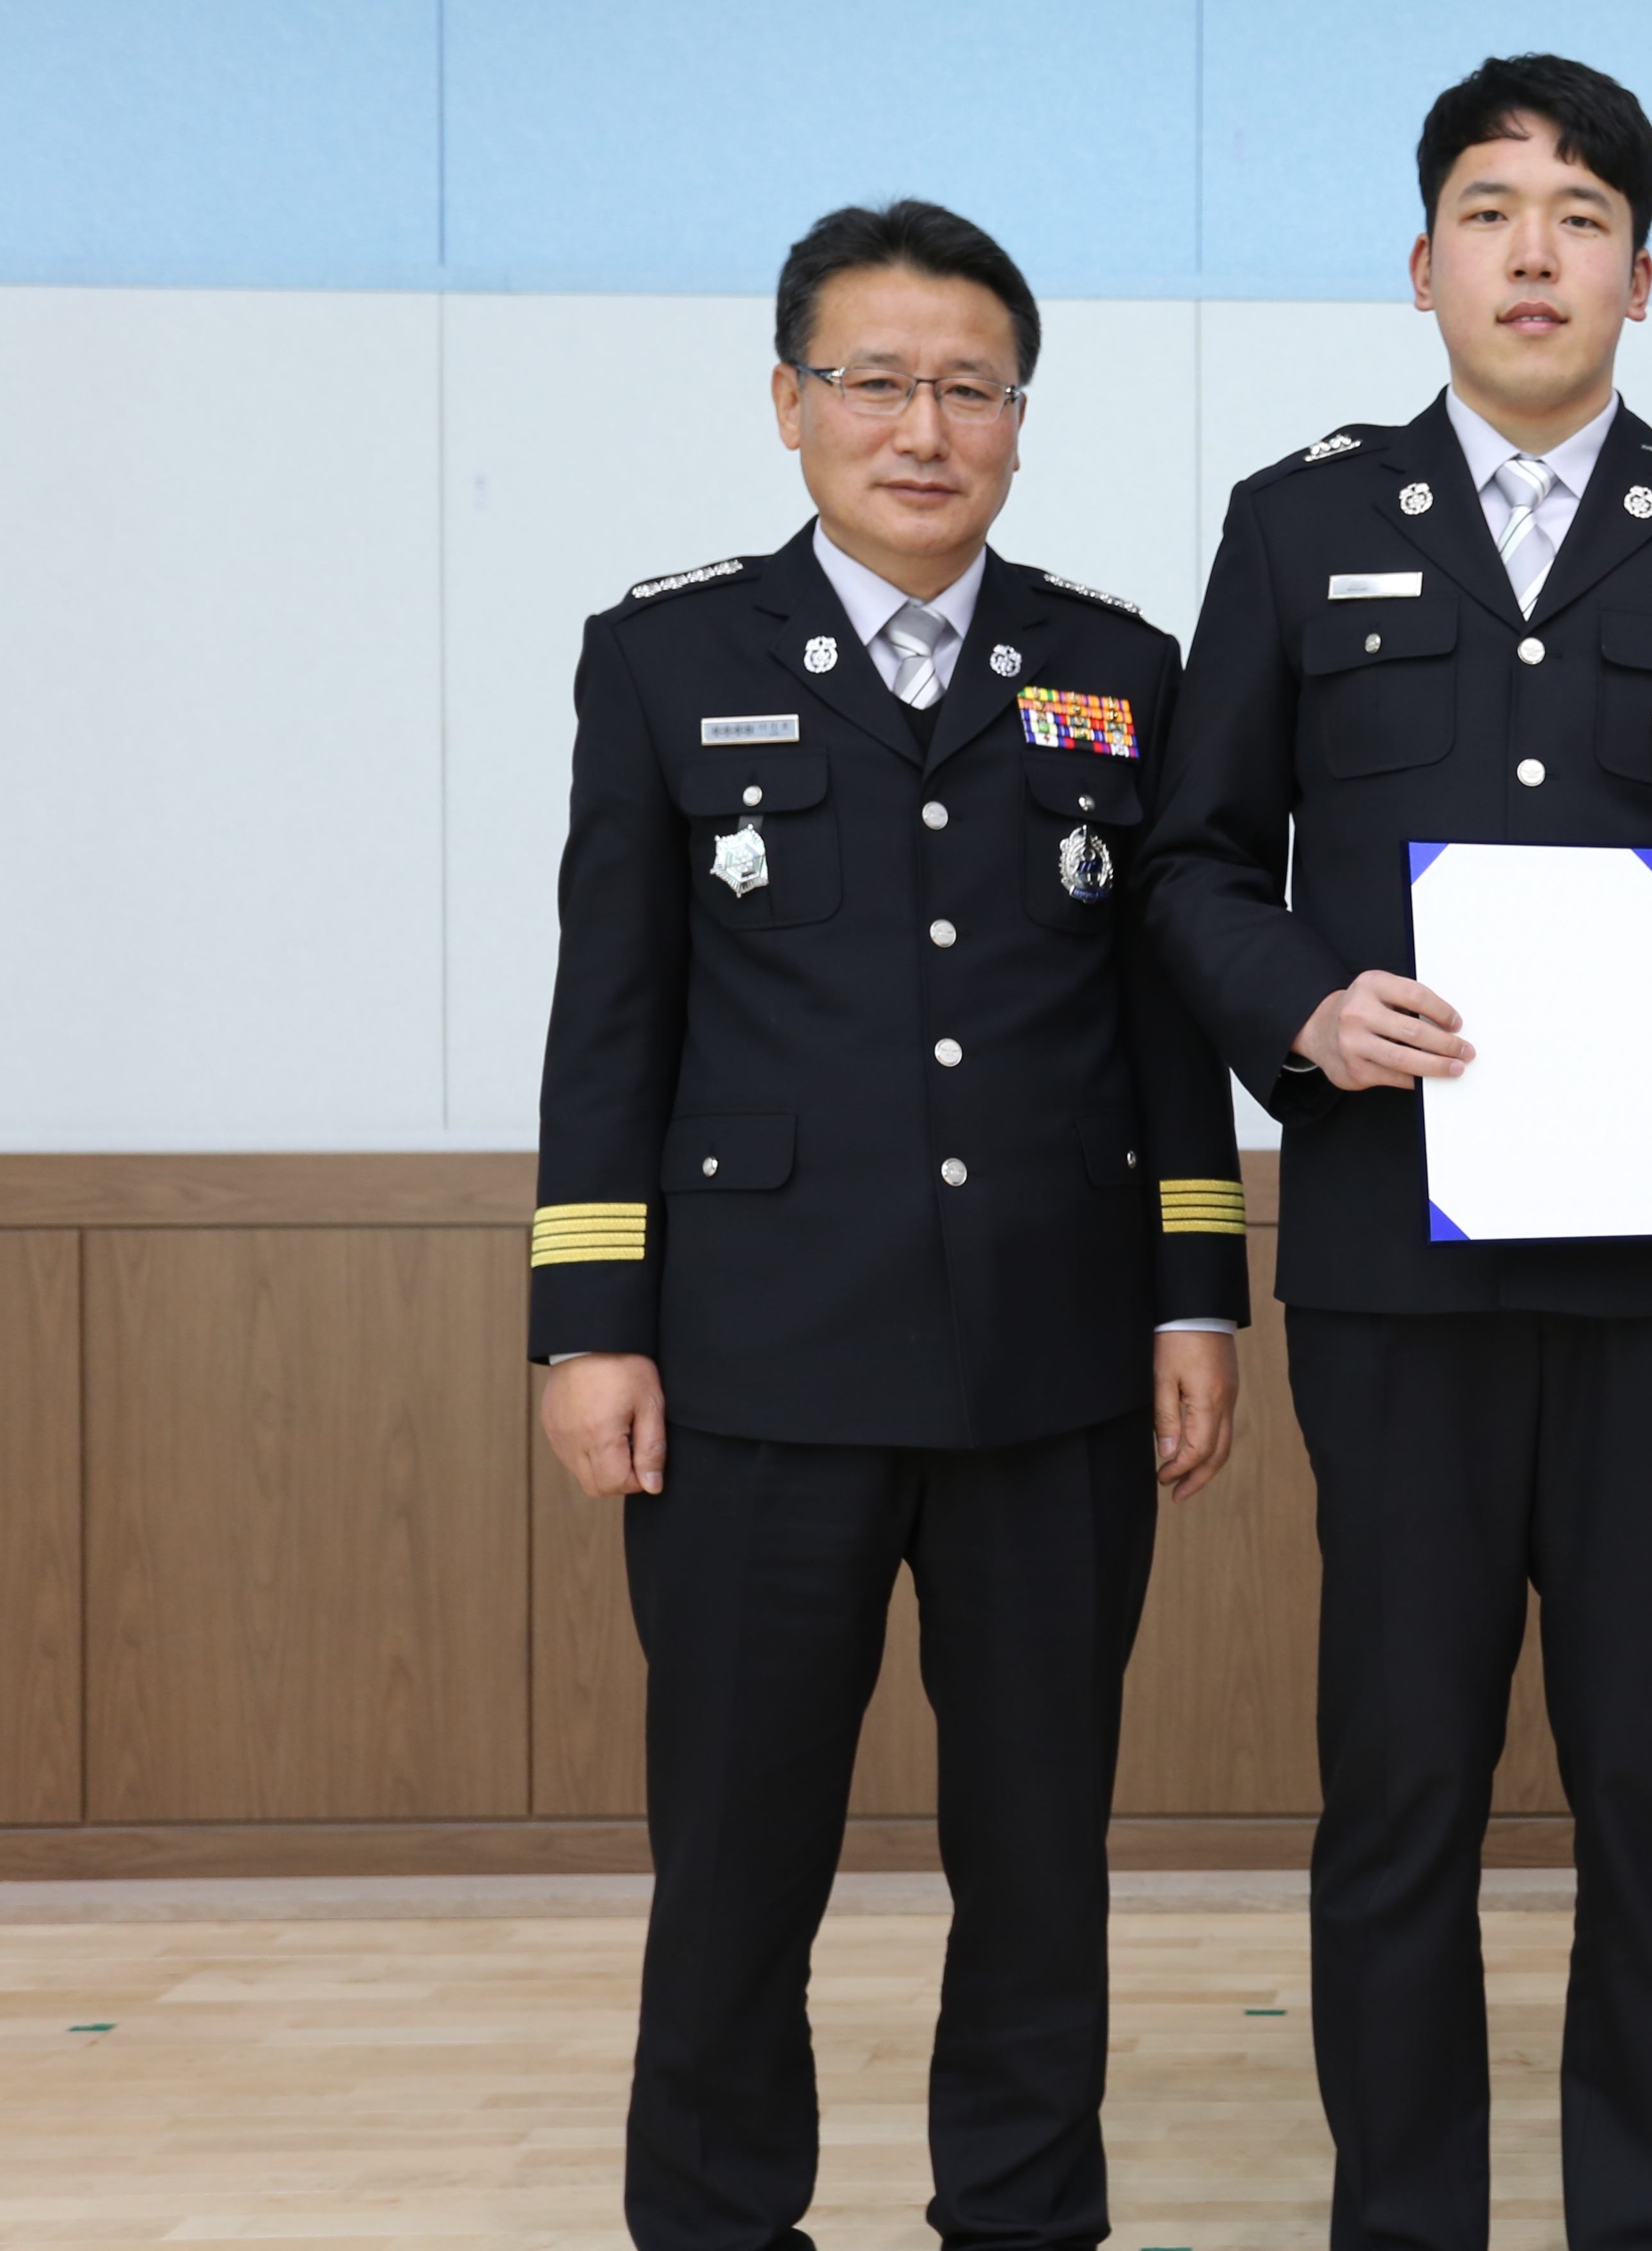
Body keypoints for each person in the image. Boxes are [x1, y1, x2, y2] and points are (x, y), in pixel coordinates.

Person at [1141, 56, 1652, 2251]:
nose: (1535, 252)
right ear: (1423, 262)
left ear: (1643, 274)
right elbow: (1190, 865)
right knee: (1400, 1795)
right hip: (1396, 1274)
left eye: (1581, 217)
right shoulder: (1297, 525)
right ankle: (1407, 2223)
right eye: (1490, 211)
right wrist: (1304, 1008)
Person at [528, 198, 1247, 2251]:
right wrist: (591, 1322)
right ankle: (715, 2221)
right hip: (757, 1373)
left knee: (1040, 1862)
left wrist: (1198, 1297)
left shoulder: (1117, 671)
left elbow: (1162, 1023)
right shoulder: (667, 659)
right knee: (737, 1859)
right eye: (875, 382)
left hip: (1054, 1367)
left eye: (970, 389)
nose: (923, 429)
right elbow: (613, 1014)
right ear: (790, 402)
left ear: (1019, 417)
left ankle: (1021, 2216)